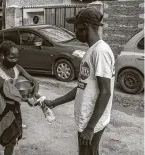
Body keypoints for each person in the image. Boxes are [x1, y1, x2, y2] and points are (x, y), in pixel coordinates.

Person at [45, 7, 115, 155]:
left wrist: (90, 128)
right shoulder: (92, 50)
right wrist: (55, 102)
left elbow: (106, 92)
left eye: (76, 27)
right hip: (87, 120)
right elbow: (82, 87)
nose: (74, 30)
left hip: (91, 122)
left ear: (84, 26)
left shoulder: (100, 51)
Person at [0, 40, 39, 155]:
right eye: (11, 58)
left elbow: (33, 80)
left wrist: (34, 92)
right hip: (5, 110)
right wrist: (26, 99)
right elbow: (7, 94)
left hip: (15, 108)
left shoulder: (17, 68)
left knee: (14, 137)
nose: (15, 60)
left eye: (17, 57)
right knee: (10, 140)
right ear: (2, 56)